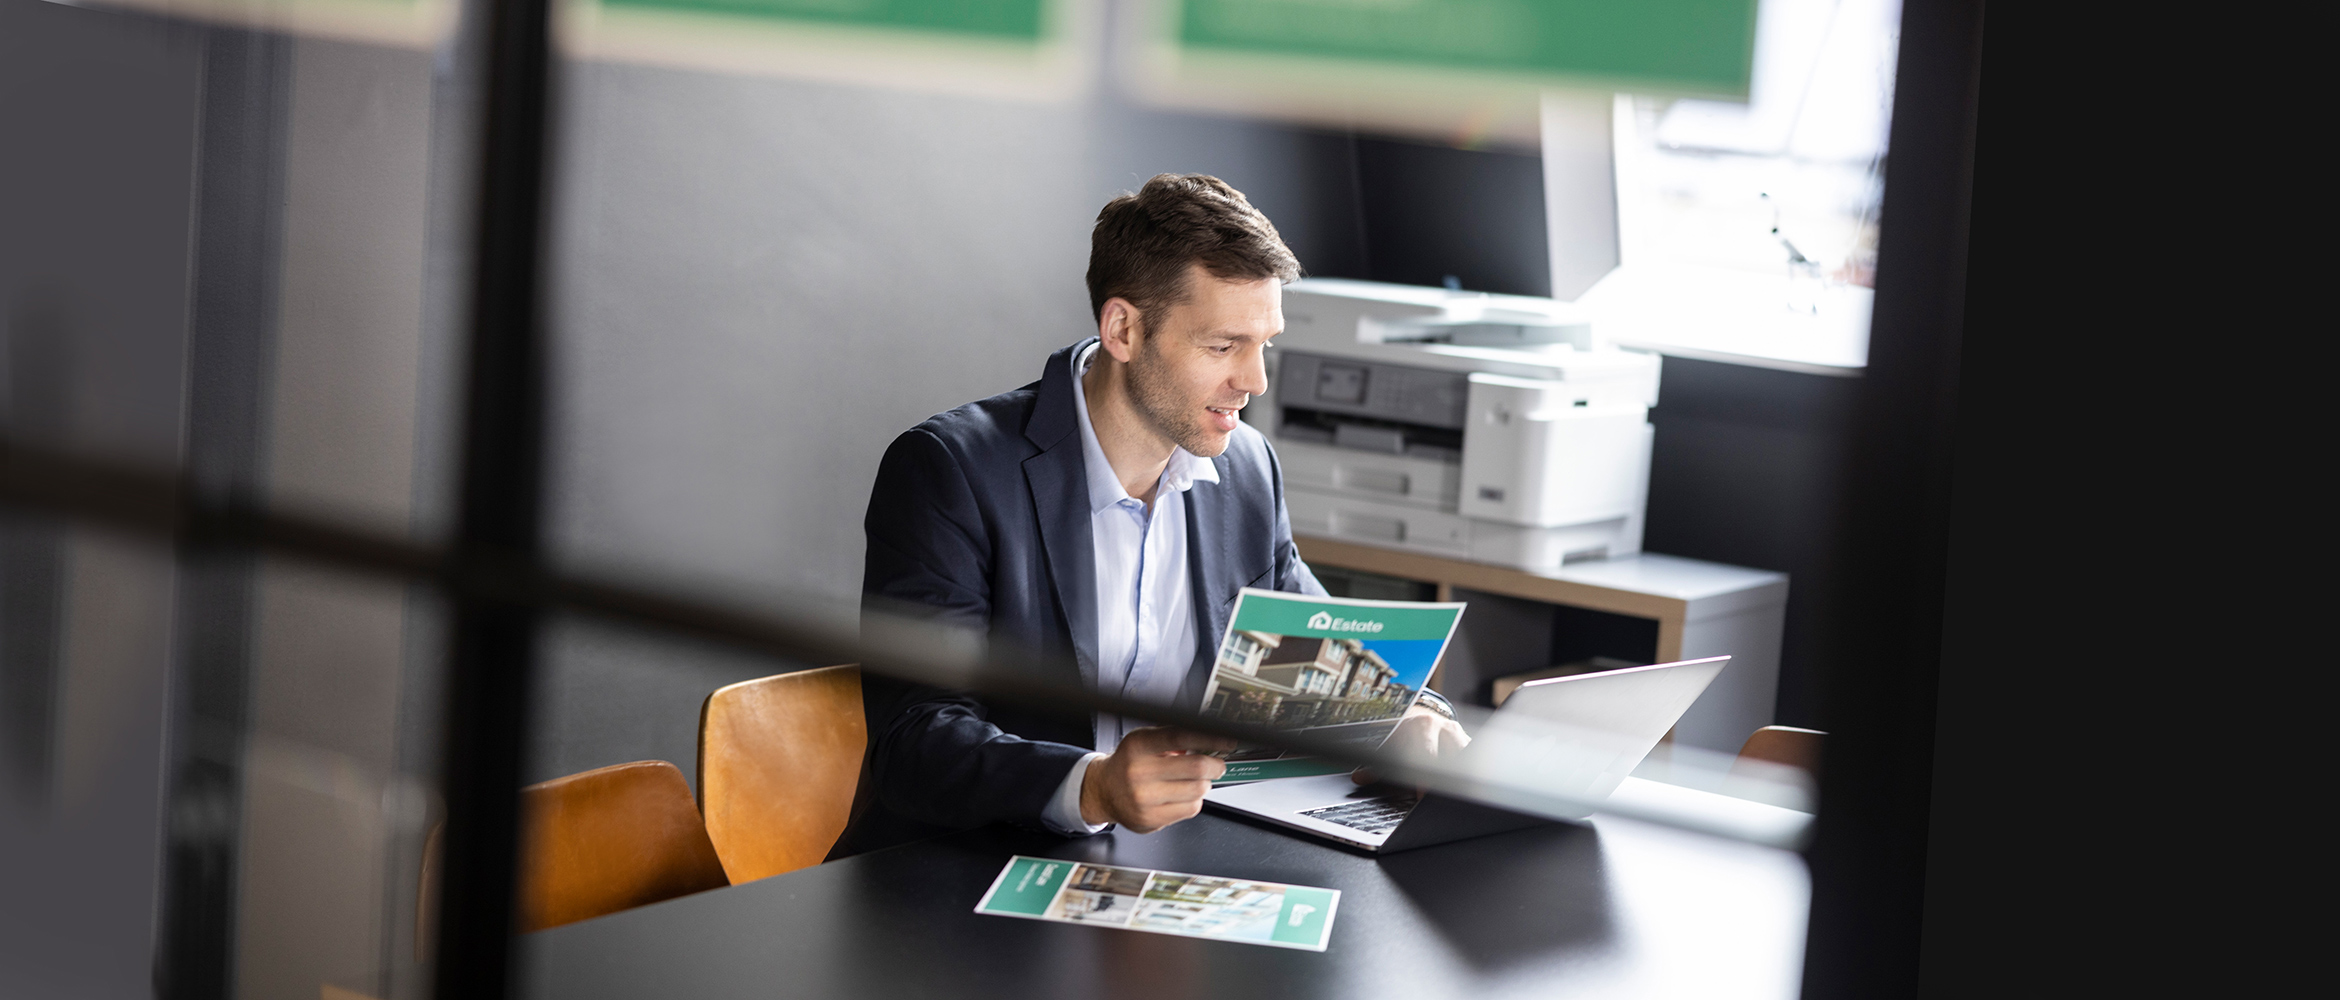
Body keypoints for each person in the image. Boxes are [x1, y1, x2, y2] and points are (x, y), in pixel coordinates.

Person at [839, 174, 1459, 856]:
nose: (1255, 382)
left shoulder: (1247, 468)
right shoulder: (950, 471)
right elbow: (916, 741)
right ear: (1123, 329)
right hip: (964, 873)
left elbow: (1317, 654)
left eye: (1265, 345)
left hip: (1172, 861)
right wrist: (1093, 786)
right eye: (1223, 346)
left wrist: (1403, 718)